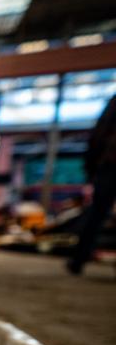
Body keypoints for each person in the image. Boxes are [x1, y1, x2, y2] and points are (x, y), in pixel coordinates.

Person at [68, 94, 116, 274]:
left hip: (109, 165)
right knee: (96, 214)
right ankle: (78, 258)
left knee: (96, 214)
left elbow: (99, 133)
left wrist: (91, 166)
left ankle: (78, 260)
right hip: (110, 164)